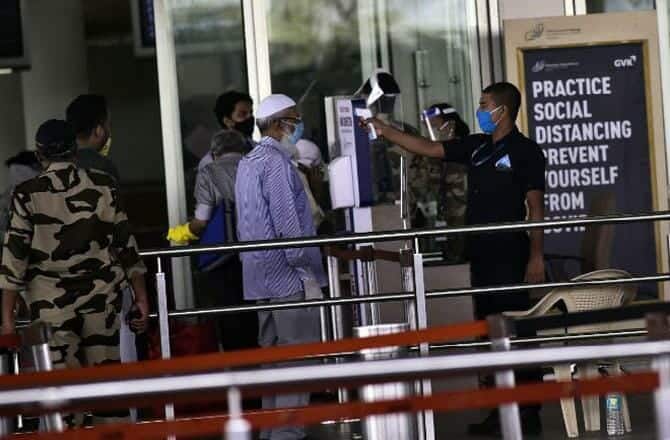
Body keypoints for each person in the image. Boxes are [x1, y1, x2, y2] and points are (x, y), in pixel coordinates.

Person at [364, 82, 546, 436]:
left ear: (502, 110)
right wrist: (386, 130)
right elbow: (429, 148)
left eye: (483, 104)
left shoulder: (526, 152)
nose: (479, 110)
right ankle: (500, 408)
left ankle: (528, 410)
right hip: (481, 251)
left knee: (516, 330)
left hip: (510, 251)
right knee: (490, 330)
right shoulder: (476, 146)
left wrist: (536, 257)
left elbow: (536, 207)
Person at [0, 120, 149, 427]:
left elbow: (14, 260)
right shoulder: (103, 184)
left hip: (50, 308)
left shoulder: (27, 194)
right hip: (102, 301)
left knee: (63, 393)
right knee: (107, 387)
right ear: (74, 150)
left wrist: (6, 320)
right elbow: (126, 246)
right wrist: (142, 297)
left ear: (40, 154)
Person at [235, 94, 327, 440]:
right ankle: (287, 432)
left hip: (258, 277)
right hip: (287, 276)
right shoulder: (275, 164)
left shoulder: (248, 162)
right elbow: (289, 225)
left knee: (272, 357)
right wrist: (306, 273)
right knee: (297, 356)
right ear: (277, 124)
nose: (297, 125)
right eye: (293, 119)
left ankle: (271, 430)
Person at [167, 129, 259, 352]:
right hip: (259, 251)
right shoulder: (257, 168)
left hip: (223, 257)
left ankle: (237, 370)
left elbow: (202, 219)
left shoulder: (209, 171)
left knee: (230, 318)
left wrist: (180, 232)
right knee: (257, 315)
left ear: (215, 153)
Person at [411, 103, 470, 260]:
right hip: (442, 217)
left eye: (434, 124)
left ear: (450, 124)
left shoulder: (466, 147)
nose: (431, 130)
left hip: (464, 219)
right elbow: (419, 185)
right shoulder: (429, 153)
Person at [197, 91, 255, 172]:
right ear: (227, 121)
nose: (250, 117)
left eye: (251, 113)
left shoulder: (261, 150)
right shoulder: (210, 163)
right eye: (243, 114)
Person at [66, 94, 120, 182]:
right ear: (98, 131)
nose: (110, 131)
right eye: (108, 124)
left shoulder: (53, 165)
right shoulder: (105, 168)